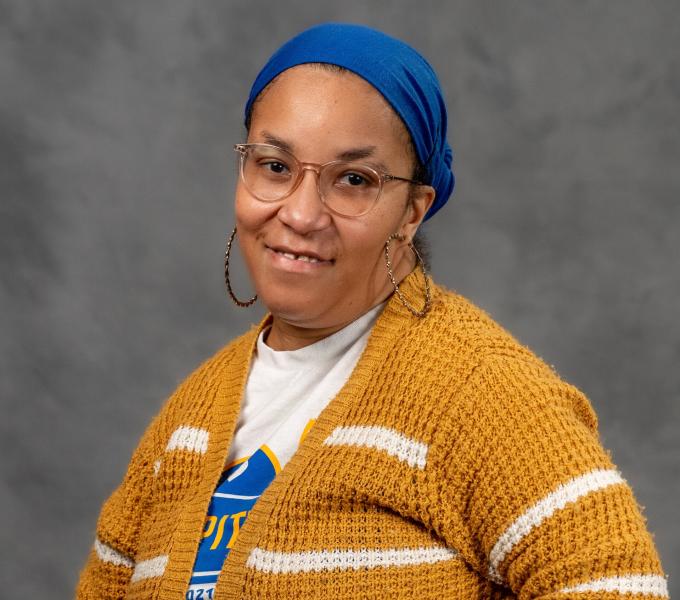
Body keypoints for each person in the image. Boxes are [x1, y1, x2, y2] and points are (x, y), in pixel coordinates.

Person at [76, 23, 668, 600]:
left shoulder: (479, 391)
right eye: (275, 166)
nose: (302, 214)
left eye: (353, 179)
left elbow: (621, 587)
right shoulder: (183, 426)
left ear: (412, 211)